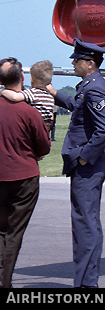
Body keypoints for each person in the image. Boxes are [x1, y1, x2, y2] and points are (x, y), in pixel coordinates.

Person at [48, 39, 105, 288]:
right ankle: (87, 280)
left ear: (89, 63)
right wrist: (54, 93)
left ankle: (86, 284)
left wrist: (85, 155)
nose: (73, 63)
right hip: (89, 163)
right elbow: (78, 107)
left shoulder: (95, 87)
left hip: (88, 164)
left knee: (84, 221)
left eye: (76, 60)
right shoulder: (89, 85)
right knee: (88, 220)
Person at [0, 58, 50, 288]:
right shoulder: (30, 112)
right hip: (24, 176)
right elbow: (44, 147)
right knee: (14, 232)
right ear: (22, 79)